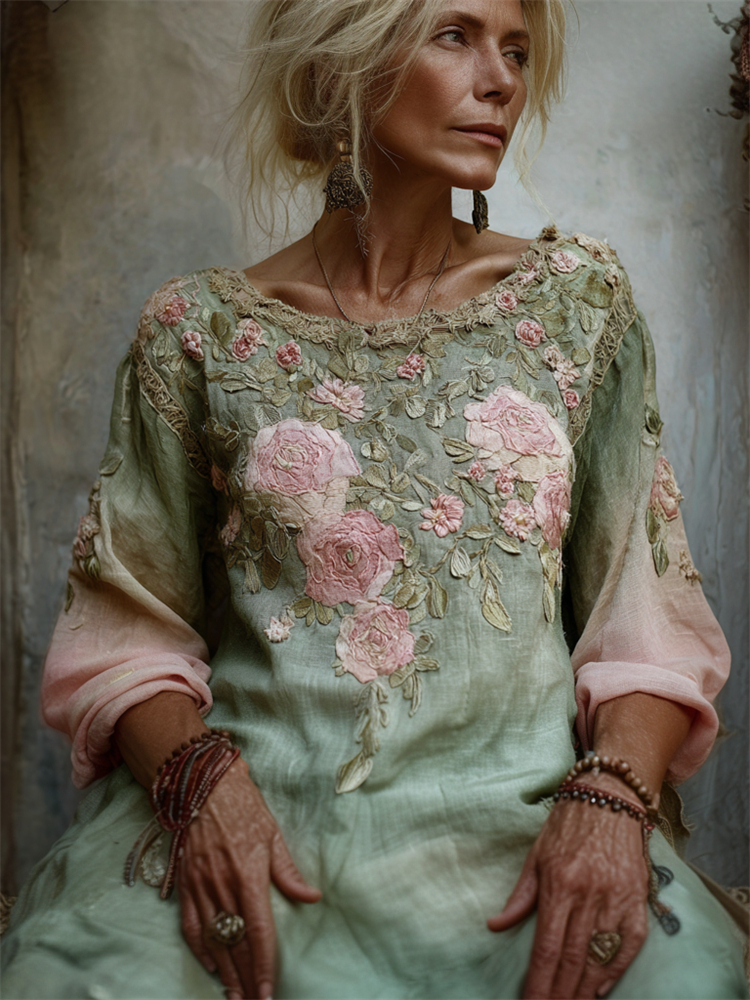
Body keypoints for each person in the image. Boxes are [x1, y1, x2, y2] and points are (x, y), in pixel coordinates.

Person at [1, 1, 747, 998]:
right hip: (258, 823)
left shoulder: (577, 306)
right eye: (456, 35)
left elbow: (643, 626)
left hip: (518, 829)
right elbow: (122, 637)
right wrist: (199, 785)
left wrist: (611, 801)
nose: (502, 80)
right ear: (343, 59)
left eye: (516, 51)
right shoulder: (198, 332)